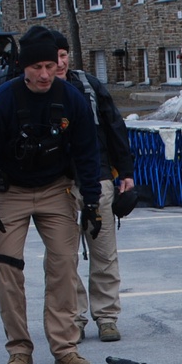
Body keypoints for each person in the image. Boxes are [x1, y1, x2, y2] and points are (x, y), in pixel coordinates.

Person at [0, 25, 102, 364]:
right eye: (36, 68)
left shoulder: (70, 99)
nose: (44, 75)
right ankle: (19, 349)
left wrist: (91, 202)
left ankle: (65, 348)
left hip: (56, 188)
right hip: (9, 192)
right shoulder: (2, 101)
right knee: (7, 268)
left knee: (63, 264)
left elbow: (88, 153)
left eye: (50, 67)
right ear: (23, 67)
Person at [51, 30, 135, 344]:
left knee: (104, 254)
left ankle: (107, 317)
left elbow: (115, 125)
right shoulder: (36, 92)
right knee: (64, 257)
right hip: (57, 185)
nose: (58, 64)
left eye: (62, 56)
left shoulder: (89, 85)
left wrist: (125, 170)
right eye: (52, 58)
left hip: (98, 178)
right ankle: (74, 317)